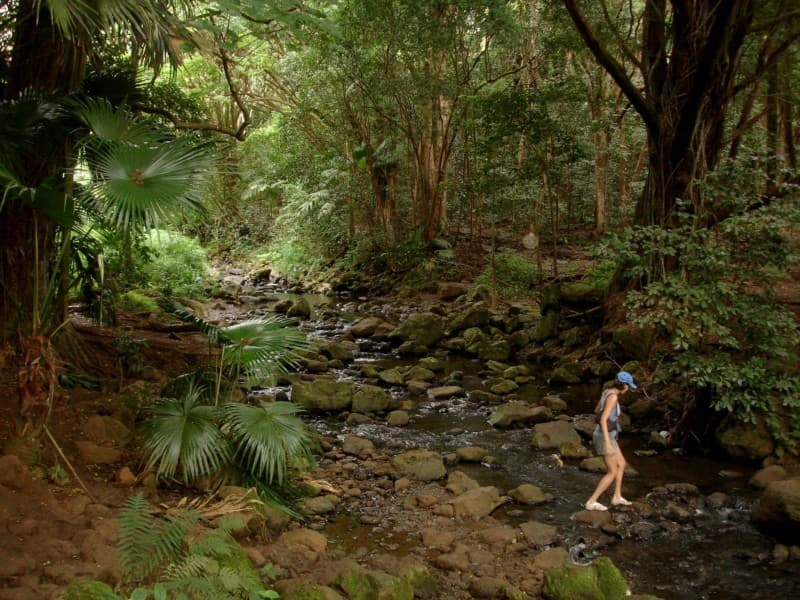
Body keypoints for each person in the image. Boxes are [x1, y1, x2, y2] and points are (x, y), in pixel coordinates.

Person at [584, 371, 637, 511]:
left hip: (609, 435)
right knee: (612, 472)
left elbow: (597, 410)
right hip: (604, 436)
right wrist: (607, 442)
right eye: (628, 386)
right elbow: (602, 419)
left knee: (622, 463)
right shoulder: (613, 397)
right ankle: (591, 501)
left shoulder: (607, 391)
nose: (629, 389)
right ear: (623, 385)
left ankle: (617, 497)